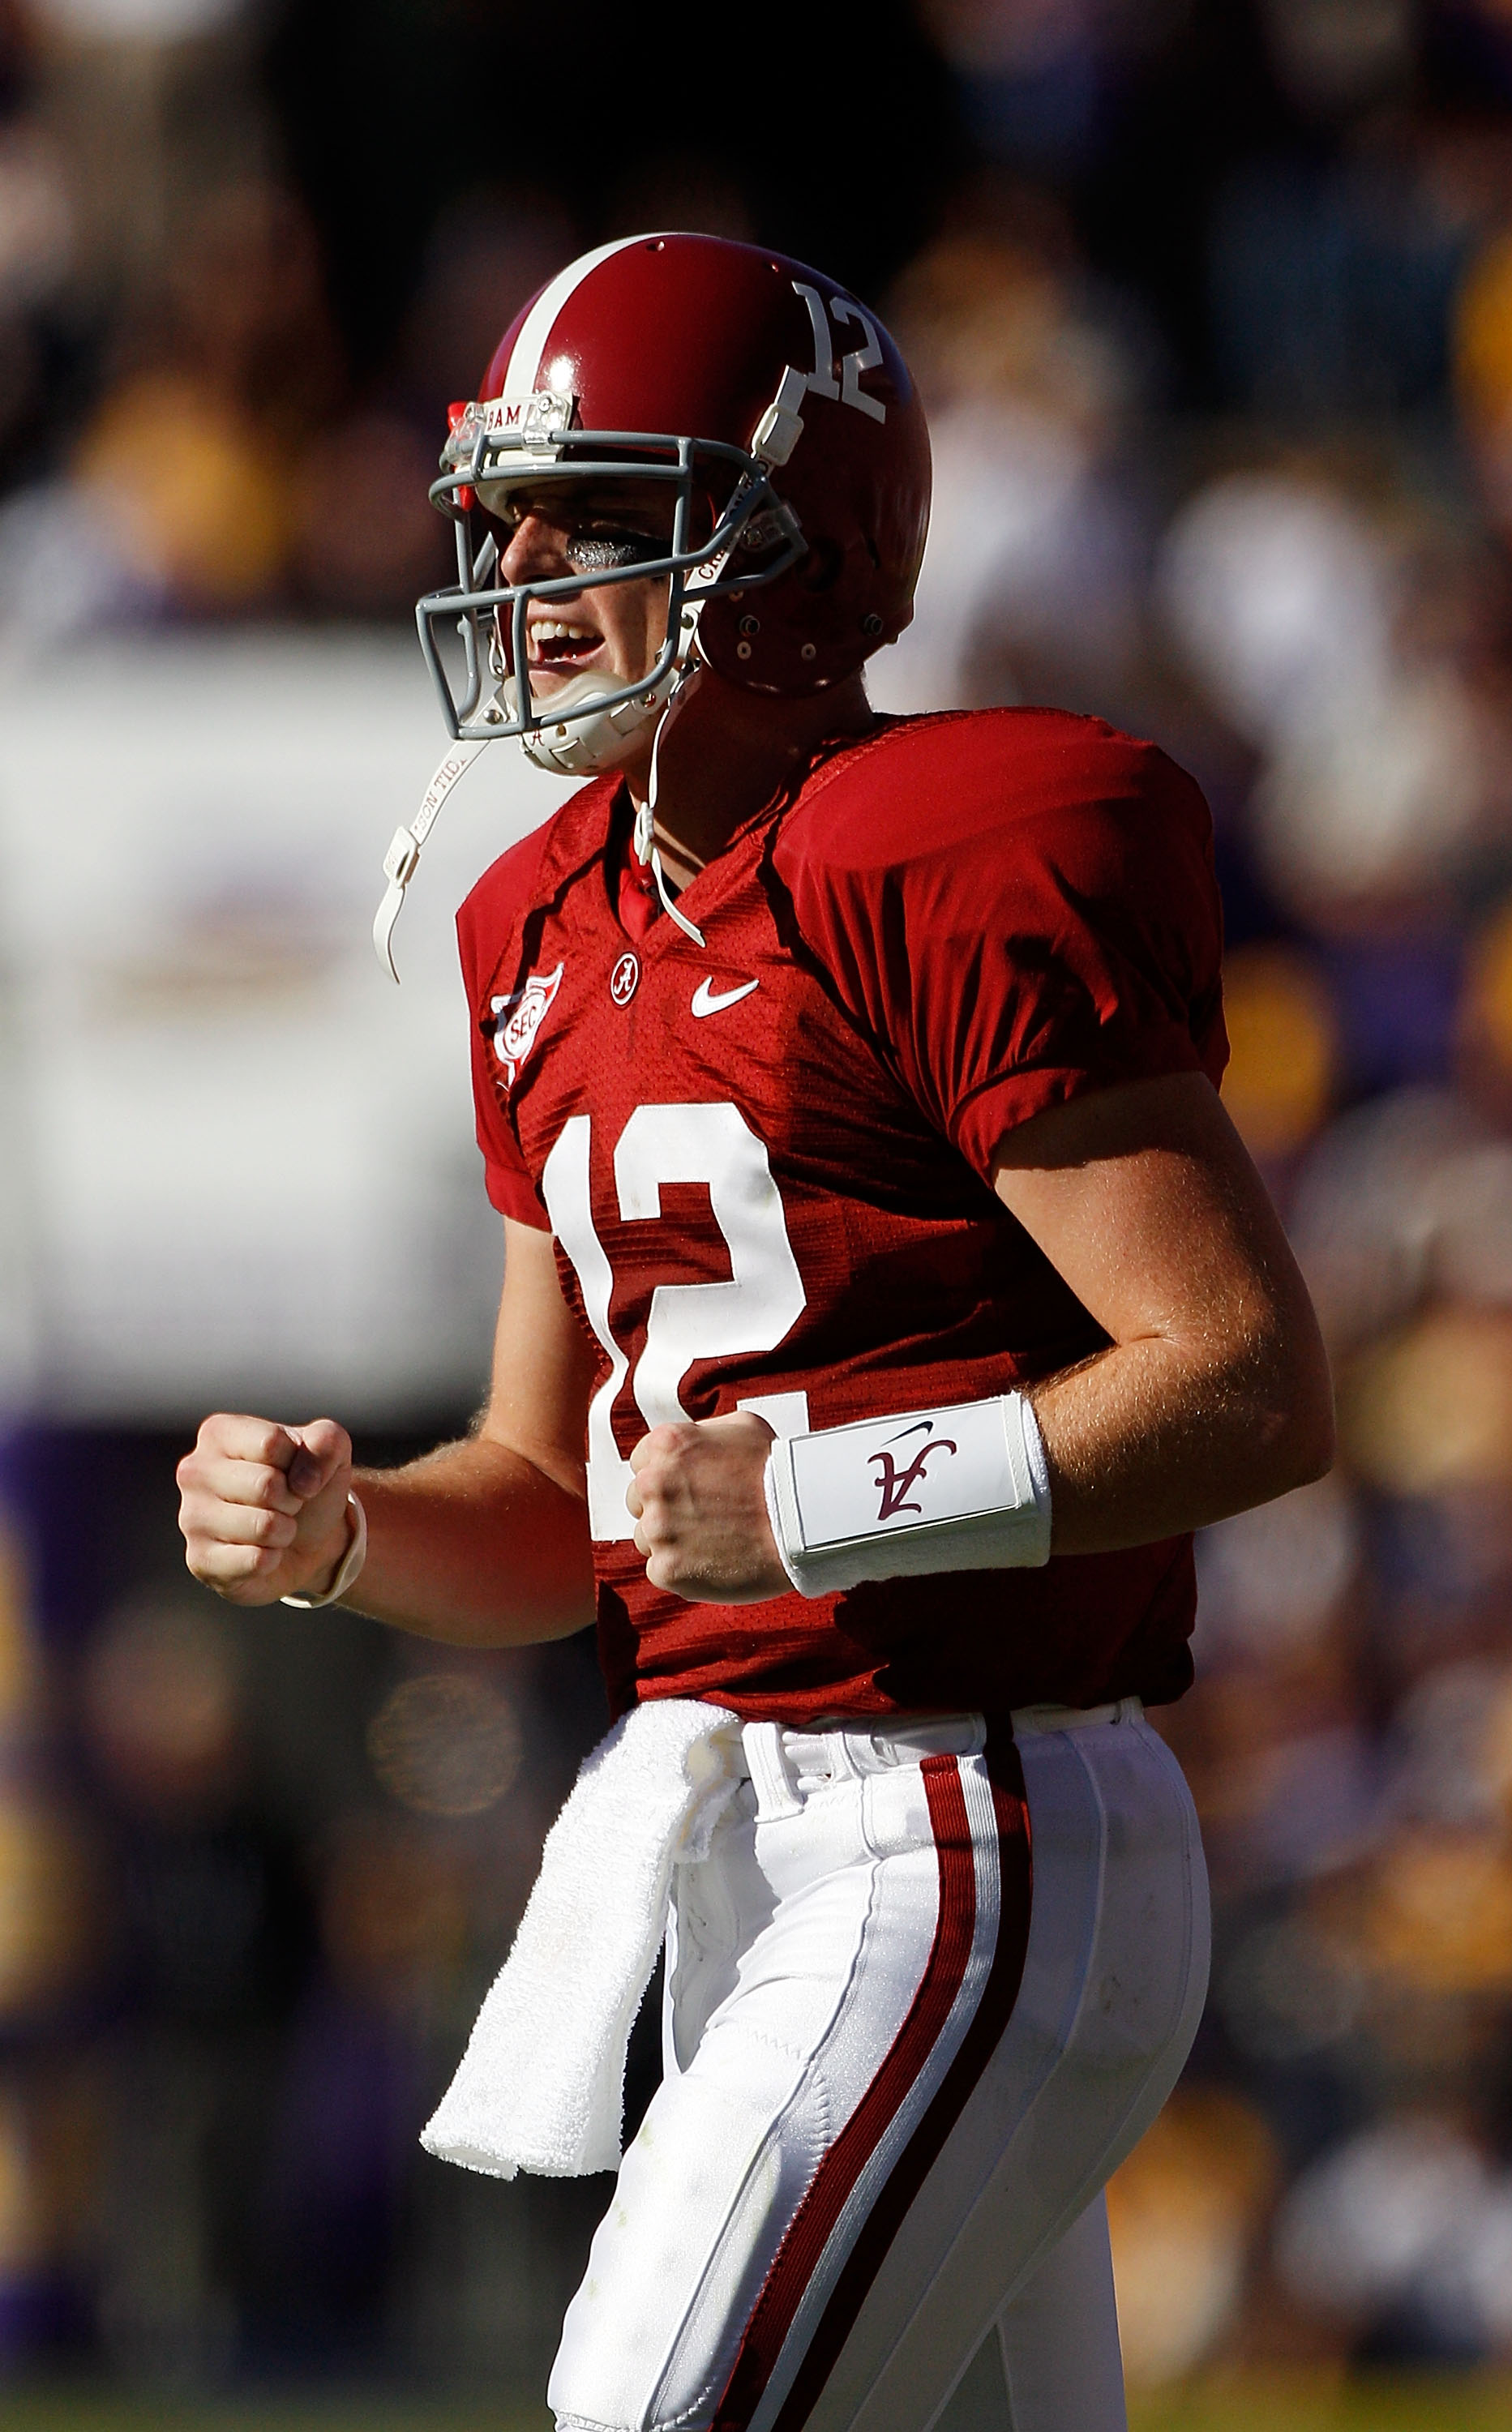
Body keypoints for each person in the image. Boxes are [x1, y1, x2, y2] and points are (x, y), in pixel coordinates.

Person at [177, 233, 1334, 2432]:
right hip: (740, 1846)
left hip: (967, 1822)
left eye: (589, 508)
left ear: (787, 536)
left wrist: (821, 1494)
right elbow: (555, 1509)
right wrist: (345, 1534)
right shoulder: (539, 921)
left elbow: (1242, 1375)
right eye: (497, 514)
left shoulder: (944, 842)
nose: (515, 566)